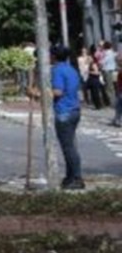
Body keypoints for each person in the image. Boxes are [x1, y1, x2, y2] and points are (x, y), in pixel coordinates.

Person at [48, 45, 85, 190]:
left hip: (64, 111)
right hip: (74, 110)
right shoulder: (71, 69)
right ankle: (70, 177)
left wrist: (40, 94)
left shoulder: (57, 70)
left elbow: (58, 91)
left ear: (54, 56)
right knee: (70, 146)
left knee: (68, 148)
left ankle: (76, 178)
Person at [101, 41, 116, 108]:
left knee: (109, 87)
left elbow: (103, 62)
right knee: (112, 86)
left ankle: (111, 102)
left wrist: (100, 62)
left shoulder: (107, 53)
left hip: (107, 70)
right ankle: (112, 101)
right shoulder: (112, 52)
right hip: (112, 70)